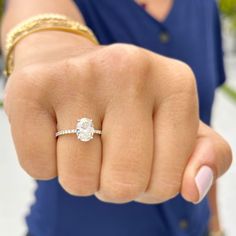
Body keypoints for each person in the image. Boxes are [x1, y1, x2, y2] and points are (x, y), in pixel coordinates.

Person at [1, 0, 232, 236]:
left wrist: (215, 228)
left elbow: (203, 130)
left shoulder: (203, 5)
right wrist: (53, 47)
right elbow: (34, 16)